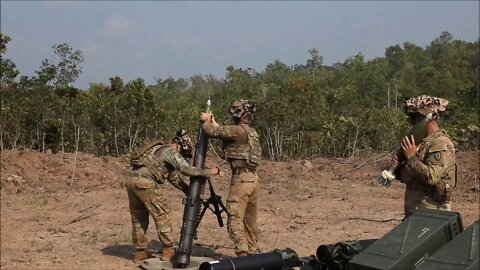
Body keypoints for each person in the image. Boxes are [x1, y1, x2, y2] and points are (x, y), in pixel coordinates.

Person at [126, 129, 219, 263]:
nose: (182, 155)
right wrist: (208, 172)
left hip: (131, 181)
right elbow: (186, 169)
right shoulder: (170, 152)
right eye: (183, 153)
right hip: (146, 182)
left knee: (138, 218)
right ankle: (168, 250)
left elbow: (173, 177)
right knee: (162, 214)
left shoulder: (158, 150)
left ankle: (140, 252)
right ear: (181, 145)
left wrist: (188, 191)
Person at [200, 99, 262, 257]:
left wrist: (206, 121)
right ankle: (253, 252)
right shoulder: (250, 132)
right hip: (253, 179)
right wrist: (214, 122)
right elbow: (224, 130)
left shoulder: (236, 130)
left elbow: (213, 132)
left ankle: (242, 253)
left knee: (234, 218)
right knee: (250, 221)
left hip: (241, 179)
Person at [391, 95, 456, 218]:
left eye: (416, 118)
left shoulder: (441, 143)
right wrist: (398, 167)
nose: (413, 122)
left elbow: (431, 177)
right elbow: (409, 177)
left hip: (432, 214)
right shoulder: (421, 142)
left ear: (427, 117)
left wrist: (411, 157)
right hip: (415, 211)